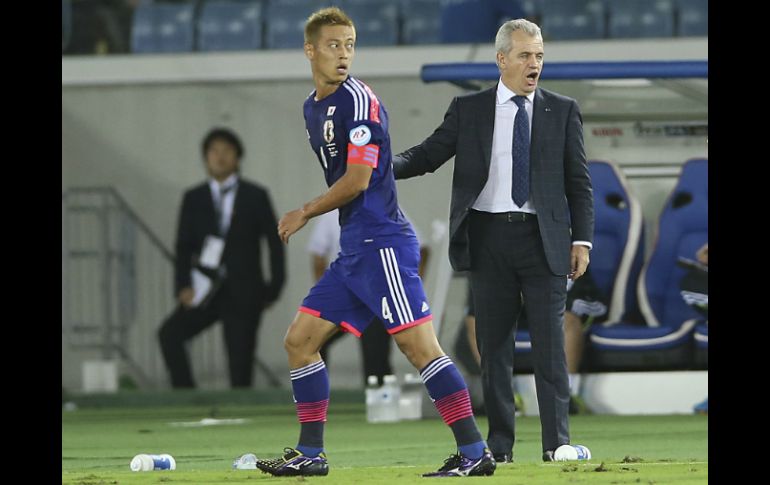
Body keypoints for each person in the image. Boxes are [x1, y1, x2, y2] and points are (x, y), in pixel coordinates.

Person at [246, 7, 495, 478]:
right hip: (355, 250)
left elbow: (358, 180)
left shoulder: (360, 104)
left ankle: (474, 452)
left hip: (382, 244)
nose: (344, 54)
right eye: (334, 45)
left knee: (420, 349)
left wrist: (305, 210)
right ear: (311, 50)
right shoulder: (312, 107)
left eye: (350, 45)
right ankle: (311, 453)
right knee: (299, 341)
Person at [392, 18, 594, 463]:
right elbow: (427, 155)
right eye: (524, 55)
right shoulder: (470, 109)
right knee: (494, 349)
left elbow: (579, 183)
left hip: (545, 238)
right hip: (487, 237)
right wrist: (379, 167)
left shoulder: (562, 110)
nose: (534, 64)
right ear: (501, 59)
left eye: (539, 55)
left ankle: (556, 442)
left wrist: (582, 241)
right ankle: (500, 446)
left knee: (549, 346)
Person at [158, 127, 286, 388]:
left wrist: (272, 289)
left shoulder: (255, 195)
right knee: (170, 335)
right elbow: (183, 246)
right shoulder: (193, 198)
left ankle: (240, 418)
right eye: (214, 151)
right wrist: (183, 285)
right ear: (206, 158)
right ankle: (187, 397)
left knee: (240, 363)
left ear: (237, 158)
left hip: (245, 289)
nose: (220, 157)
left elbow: (275, 242)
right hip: (205, 287)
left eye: (227, 151)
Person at [457, 269, 608, 417]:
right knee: (477, 317)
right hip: (526, 306)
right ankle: (501, 396)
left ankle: (565, 395)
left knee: (563, 317)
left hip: (571, 296)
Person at [309, 209, 430, 386]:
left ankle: (379, 398)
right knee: (316, 340)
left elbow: (422, 248)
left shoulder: (388, 209)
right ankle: (316, 392)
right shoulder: (331, 215)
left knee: (375, 352)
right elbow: (318, 258)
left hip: (378, 296)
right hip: (345, 295)